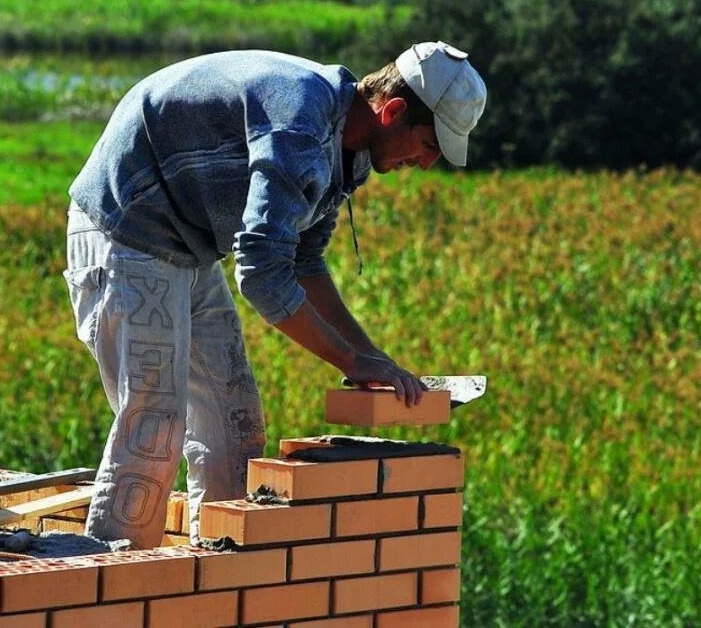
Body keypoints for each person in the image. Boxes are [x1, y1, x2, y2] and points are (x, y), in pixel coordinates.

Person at [64, 42, 487, 548]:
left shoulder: (345, 154)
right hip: (128, 224)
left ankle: (215, 581)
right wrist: (351, 360)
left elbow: (302, 263)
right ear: (392, 111)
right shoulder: (300, 123)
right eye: (429, 146)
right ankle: (112, 592)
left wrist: (374, 358)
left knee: (234, 425)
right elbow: (262, 275)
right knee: (154, 425)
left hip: (188, 243)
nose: (425, 164)